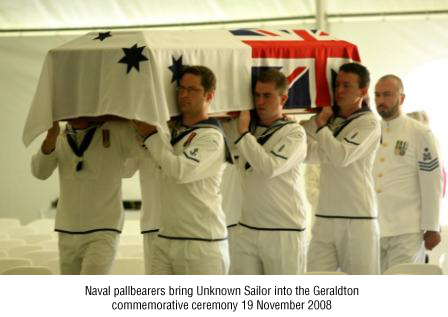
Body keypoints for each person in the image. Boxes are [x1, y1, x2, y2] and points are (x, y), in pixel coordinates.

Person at [134, 65, 231, 275]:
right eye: (181, 89)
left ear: (209, 95)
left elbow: (179, 171)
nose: (184, 95)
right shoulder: (171, 132)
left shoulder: (211, 137)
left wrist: (151, 136)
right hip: (166, 237)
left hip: (202, 242)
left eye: (192, 90)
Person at [31, 117, 145, 274]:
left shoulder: (115, 129)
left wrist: (131, 119)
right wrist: (51, 136)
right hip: (67, 229)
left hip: (103, 229)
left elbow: (143, 151)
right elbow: (40, 172)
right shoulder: (60, 134)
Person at [302, 62, 381, 275]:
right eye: (337, 85)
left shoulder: (369, 123)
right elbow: (308, 152)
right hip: (325, 215)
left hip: (358, 218)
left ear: (363, 91)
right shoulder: (329, 120)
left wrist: (321, 127)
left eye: (347, 85)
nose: (339, 90)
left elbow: (340, 156)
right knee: (315, 285)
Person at [229, 69, 308, 275]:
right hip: (247, 227)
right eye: (256, 95)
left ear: (283, 98)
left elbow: (269, 167)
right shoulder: (243, 127)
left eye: (267, 96)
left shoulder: (294, 132)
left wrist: (244, 134)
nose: (260, 101)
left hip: (283, 230)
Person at [373, 75, 443, 273]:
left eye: (387, 95)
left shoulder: (420, 133)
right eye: (377, 95)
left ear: (401, 98)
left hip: (407, 230)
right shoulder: (370, 131)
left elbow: (432, 182)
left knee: (403, 287)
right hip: (375, 227)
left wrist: (432, 226)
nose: (381, 100)